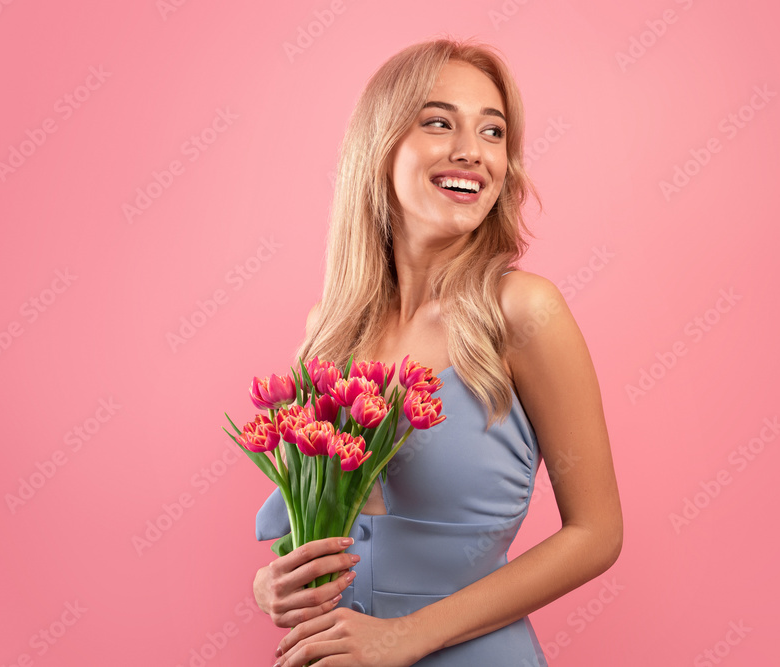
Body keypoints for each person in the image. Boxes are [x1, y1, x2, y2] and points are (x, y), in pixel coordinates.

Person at [253, 36, 623, 667]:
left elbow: (596, 534)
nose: (470, 152)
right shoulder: (330, 330)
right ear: (381, 145)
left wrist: (408, 635)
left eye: (493, 131)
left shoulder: (523, 312)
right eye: (439, 123)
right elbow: (313, 522)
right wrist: (273, 585)